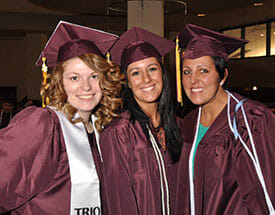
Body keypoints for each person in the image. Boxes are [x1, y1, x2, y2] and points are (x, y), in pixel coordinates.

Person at [0, 20, 124, 214]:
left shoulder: (103, 130)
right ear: (59, 83)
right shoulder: (43, 124)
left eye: (94, 76)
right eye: (74, 77)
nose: (86, 86)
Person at [175, 24, 275, 215]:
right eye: (187, 71)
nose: (193, 80)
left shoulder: (249, 118)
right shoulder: (187, 124)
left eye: (203, 71)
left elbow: (266, 192)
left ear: (222, 76)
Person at [99, 27, 183, 215]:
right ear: (127, 81)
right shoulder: (117, 133)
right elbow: (119, 203)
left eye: (152, 69)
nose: (146, 79)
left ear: (162, 73)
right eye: (135, 73)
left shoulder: (179, 126)